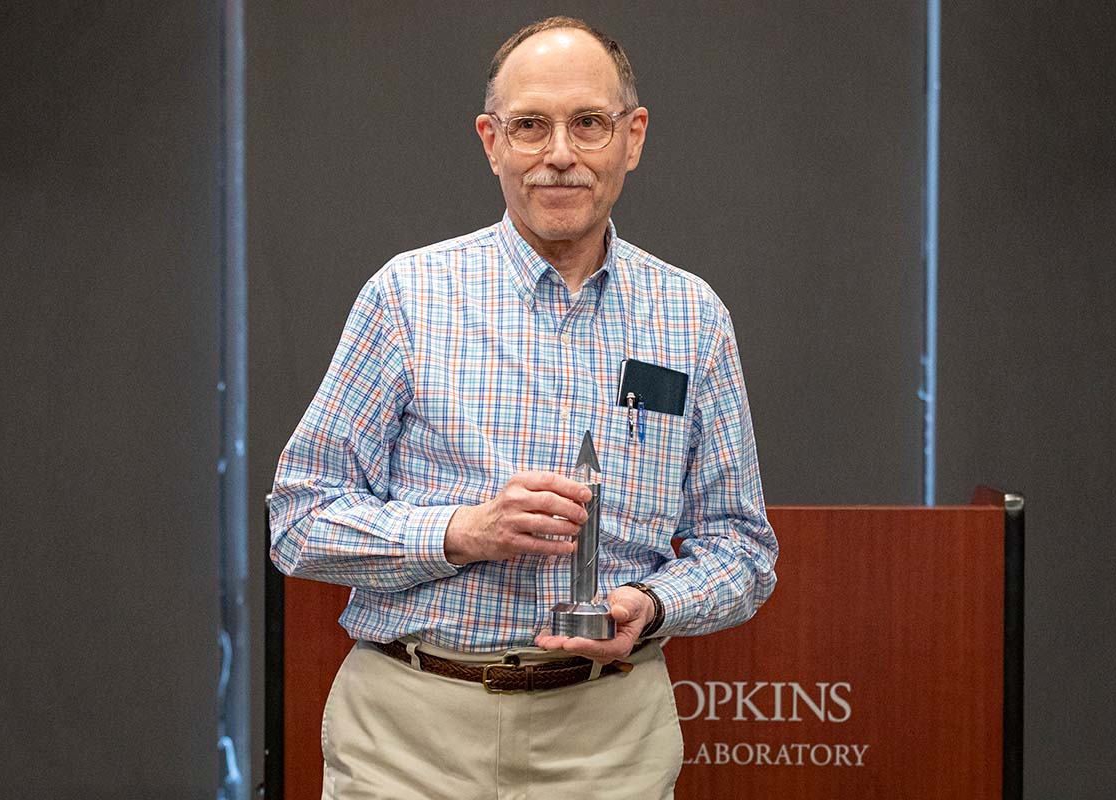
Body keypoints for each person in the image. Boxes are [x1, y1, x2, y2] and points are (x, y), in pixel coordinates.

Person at [270, 15, 778, 799]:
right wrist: (463, 532)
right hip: (411, 733)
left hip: (607, 740)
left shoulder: (692, 317)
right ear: (491, 141)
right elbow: (299, 521)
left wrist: (653, 602)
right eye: (531, 126)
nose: (561, 155)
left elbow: (742, 548)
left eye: (590, 124)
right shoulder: (408, 297)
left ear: (633, 138)